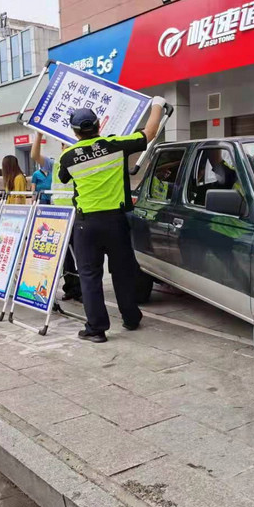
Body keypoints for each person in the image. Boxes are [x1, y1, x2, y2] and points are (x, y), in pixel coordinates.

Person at [57, 97, 166, 343]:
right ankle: (130, 318)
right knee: (123, 272)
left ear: (75, 131)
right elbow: (149, 133)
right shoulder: (114, 144)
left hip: (86, 225)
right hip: (116, 221)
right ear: (99, 125)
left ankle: (96, 329)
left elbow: (63, 178)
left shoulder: (68, 156)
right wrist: (157, 105)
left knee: (89, 276)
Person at [43, 133, 81, 301]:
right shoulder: (55, 163)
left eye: (68, 145)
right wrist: (38, 135)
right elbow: (34, 156)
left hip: (76, 213)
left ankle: (82, 289)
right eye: (63, 145)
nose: (65, 148)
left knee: (79, 254)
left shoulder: (79, 161)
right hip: (59, 215)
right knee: (65, 255)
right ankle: (71, 287)